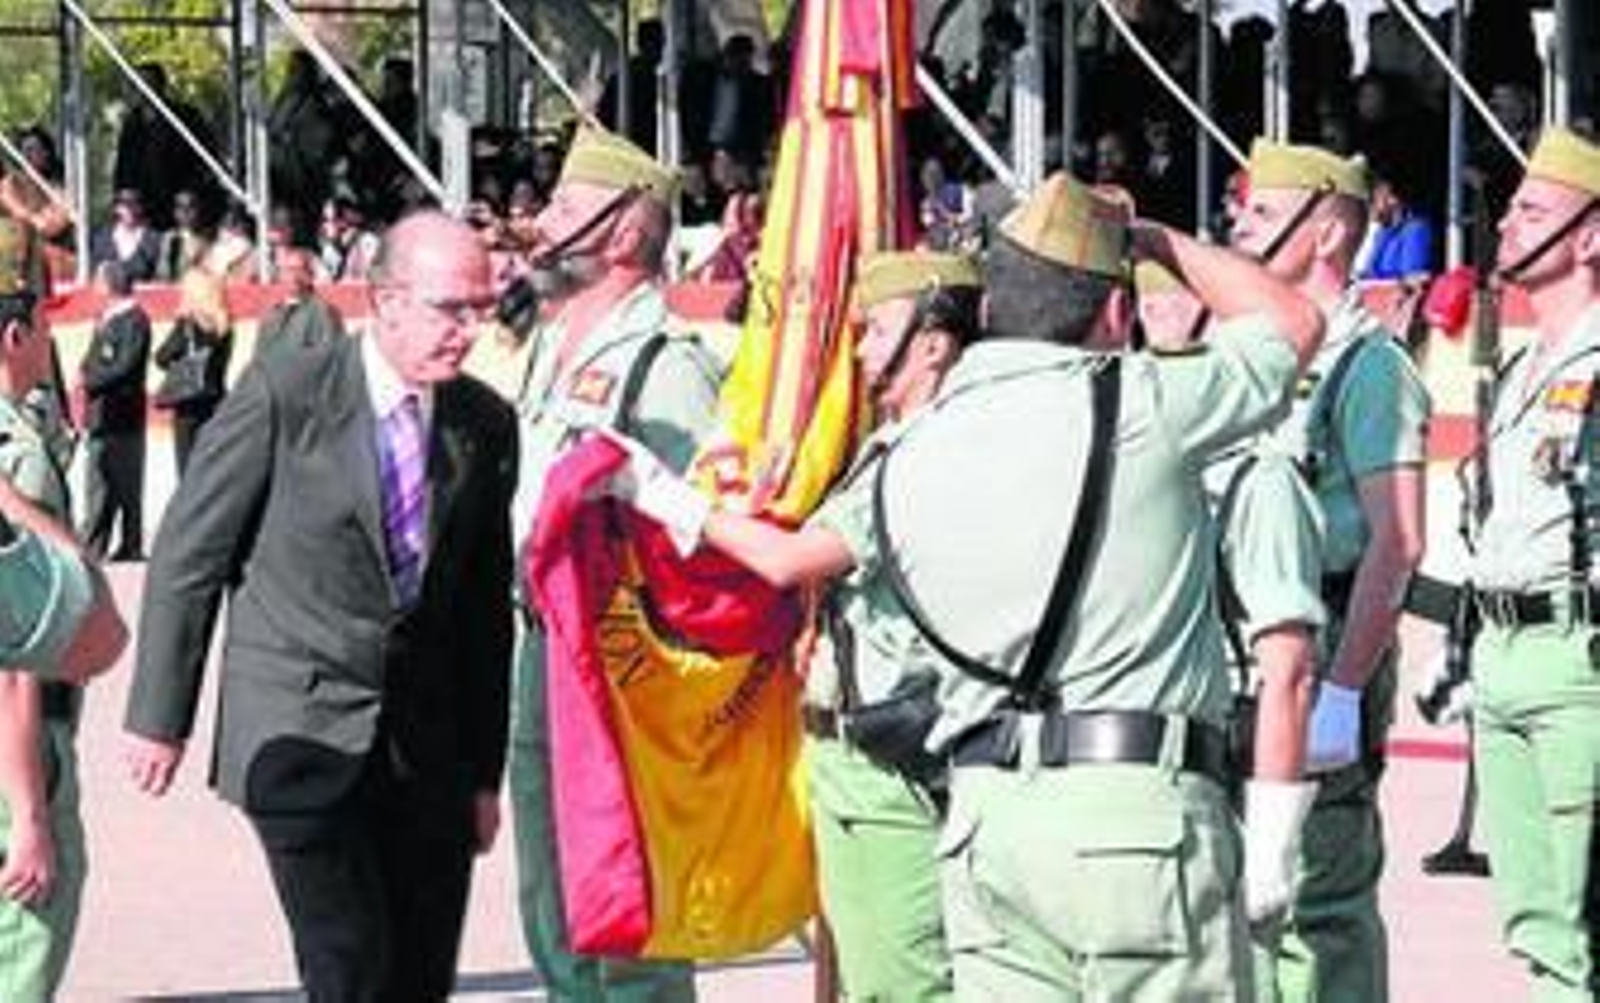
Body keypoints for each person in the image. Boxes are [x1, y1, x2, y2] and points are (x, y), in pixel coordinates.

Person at [615, 172, 1325, 999]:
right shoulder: (1140, 404)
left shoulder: (906, 450)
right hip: (1136, 821)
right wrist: (1152, 239)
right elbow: (1294, 322)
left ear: (986, 315)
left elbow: (796, 558)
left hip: (988, 822)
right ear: (1116, 315)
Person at [121, 212, 518, 1000]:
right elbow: (192, 551)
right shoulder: (287, 394)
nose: (469, 330)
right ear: (387, 299)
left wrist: (482, 774)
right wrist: (160, 714)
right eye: (451, 308)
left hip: (426, 746)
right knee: (348, 962)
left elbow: (482, 615)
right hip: (298, 725)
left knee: (417, 974)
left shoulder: (483, 424)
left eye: (482, 308)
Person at [615, 250, 981, 1000]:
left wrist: (674, 502)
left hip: (893, 753)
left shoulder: (930, 450)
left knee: (902, 981)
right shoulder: (885, 445)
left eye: (879, 332)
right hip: (847, 746)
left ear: (935, 344)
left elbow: (792, 561)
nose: (861, 349)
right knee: (862, 974)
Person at [509, 125, 720, 1002]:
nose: (540, 223)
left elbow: (706, 537)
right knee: (553, 912)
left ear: (627, 233)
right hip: (540, 652)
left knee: (630, 925)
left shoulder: (664, 366)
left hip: (621, 670)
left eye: (565, 206)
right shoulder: (546, 348)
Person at [1228, 139, 1431, 1003]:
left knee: (1321, 907)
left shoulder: (1367, 362)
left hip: (1322, 650)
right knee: (1249, 918)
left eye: (1264, 214)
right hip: (1245, 658)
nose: (1240, 226)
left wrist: (1346, 686)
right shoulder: (1253, 352)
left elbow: (1399, 538)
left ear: (1327, 233)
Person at [1467, 126, 1600, 1001]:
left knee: (1589, 918)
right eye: (1513, 206)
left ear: (1590, 237)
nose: (1510, 223)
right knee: (1537, 922)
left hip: (1579, 652)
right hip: (1502, 648)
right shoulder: (1519, 365)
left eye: (1535, 210)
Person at [0, 216, 126, 1002]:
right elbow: (15, 663)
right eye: (47, 317)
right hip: (17, 754)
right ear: (17, 331)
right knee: (22, 960)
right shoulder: (16, 458)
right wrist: (30, 816)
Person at [78, 261, 151, 563]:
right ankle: (95, 543)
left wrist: (90, 380)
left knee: (126, 483)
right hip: (103, 412)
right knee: (98, 481)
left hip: (123, 413)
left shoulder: (134, 319)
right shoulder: (107, 318)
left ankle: (130, 543)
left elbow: (126, 366)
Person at [153, 267, 234, 475]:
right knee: (212, 469)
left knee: (188, 471)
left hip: (189, 404)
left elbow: (161, 358)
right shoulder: (225, 324)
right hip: (216, 401)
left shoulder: (187, 325)